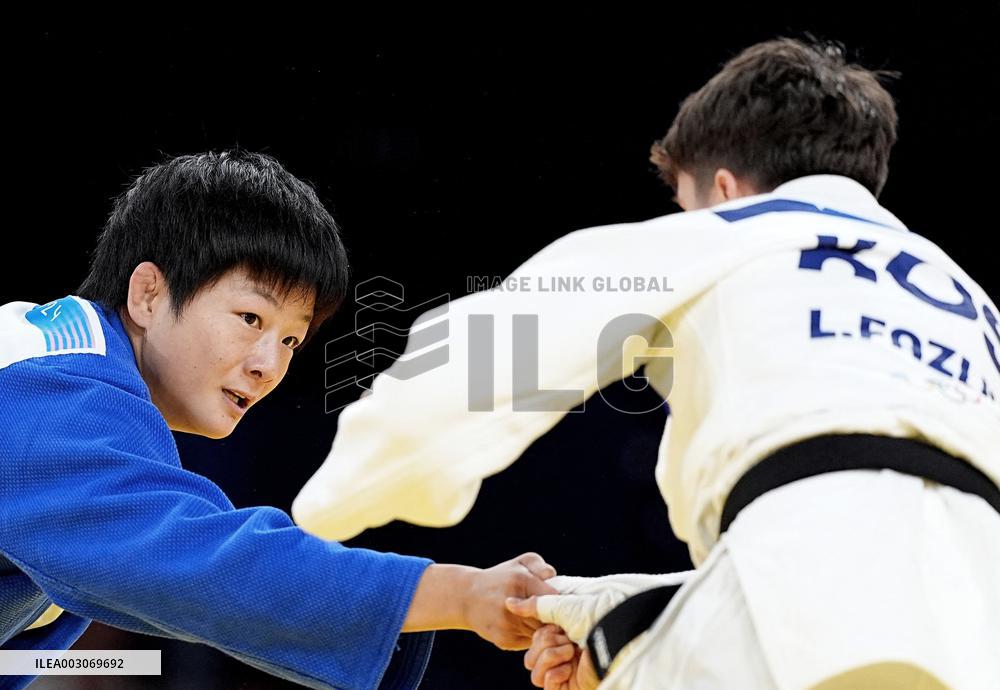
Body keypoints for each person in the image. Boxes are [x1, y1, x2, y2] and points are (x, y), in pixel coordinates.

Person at [292, 39, 1000, 689]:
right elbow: (884, 536)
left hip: (805, 600)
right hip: (978, 618)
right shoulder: (973, 303)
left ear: (722, 188)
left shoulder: (729, 235)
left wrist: (322, 519)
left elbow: (460, 374)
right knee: (605, 632)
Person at [0, 150, 557, 690]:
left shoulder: (65, 382)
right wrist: (455, 596)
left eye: (290, 338)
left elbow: (194, 588)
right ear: (149, 293)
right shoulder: (47, 384)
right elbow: (198, 565)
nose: (269, 365)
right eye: (250, 318)